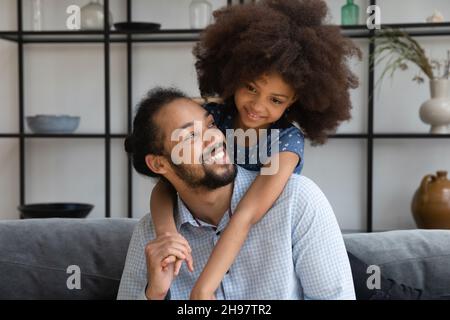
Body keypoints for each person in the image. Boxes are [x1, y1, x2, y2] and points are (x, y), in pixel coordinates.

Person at [149, 0, 362, 300]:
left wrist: (203, 289)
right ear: (234, 76)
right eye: (250, 88)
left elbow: (246, 215)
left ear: (293, 101)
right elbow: (165, 182)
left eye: (276, 100)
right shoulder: (213, 119)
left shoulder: (285, 144)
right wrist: (166, 232)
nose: (257, 107)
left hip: (281, 247)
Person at [117, 87, 356, 300]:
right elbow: (163, 189)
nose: (214, 138)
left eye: (210, 125)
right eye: (190, 136)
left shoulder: (297, 200)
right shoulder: (152, 235)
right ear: (159, 165)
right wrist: (154, 294)